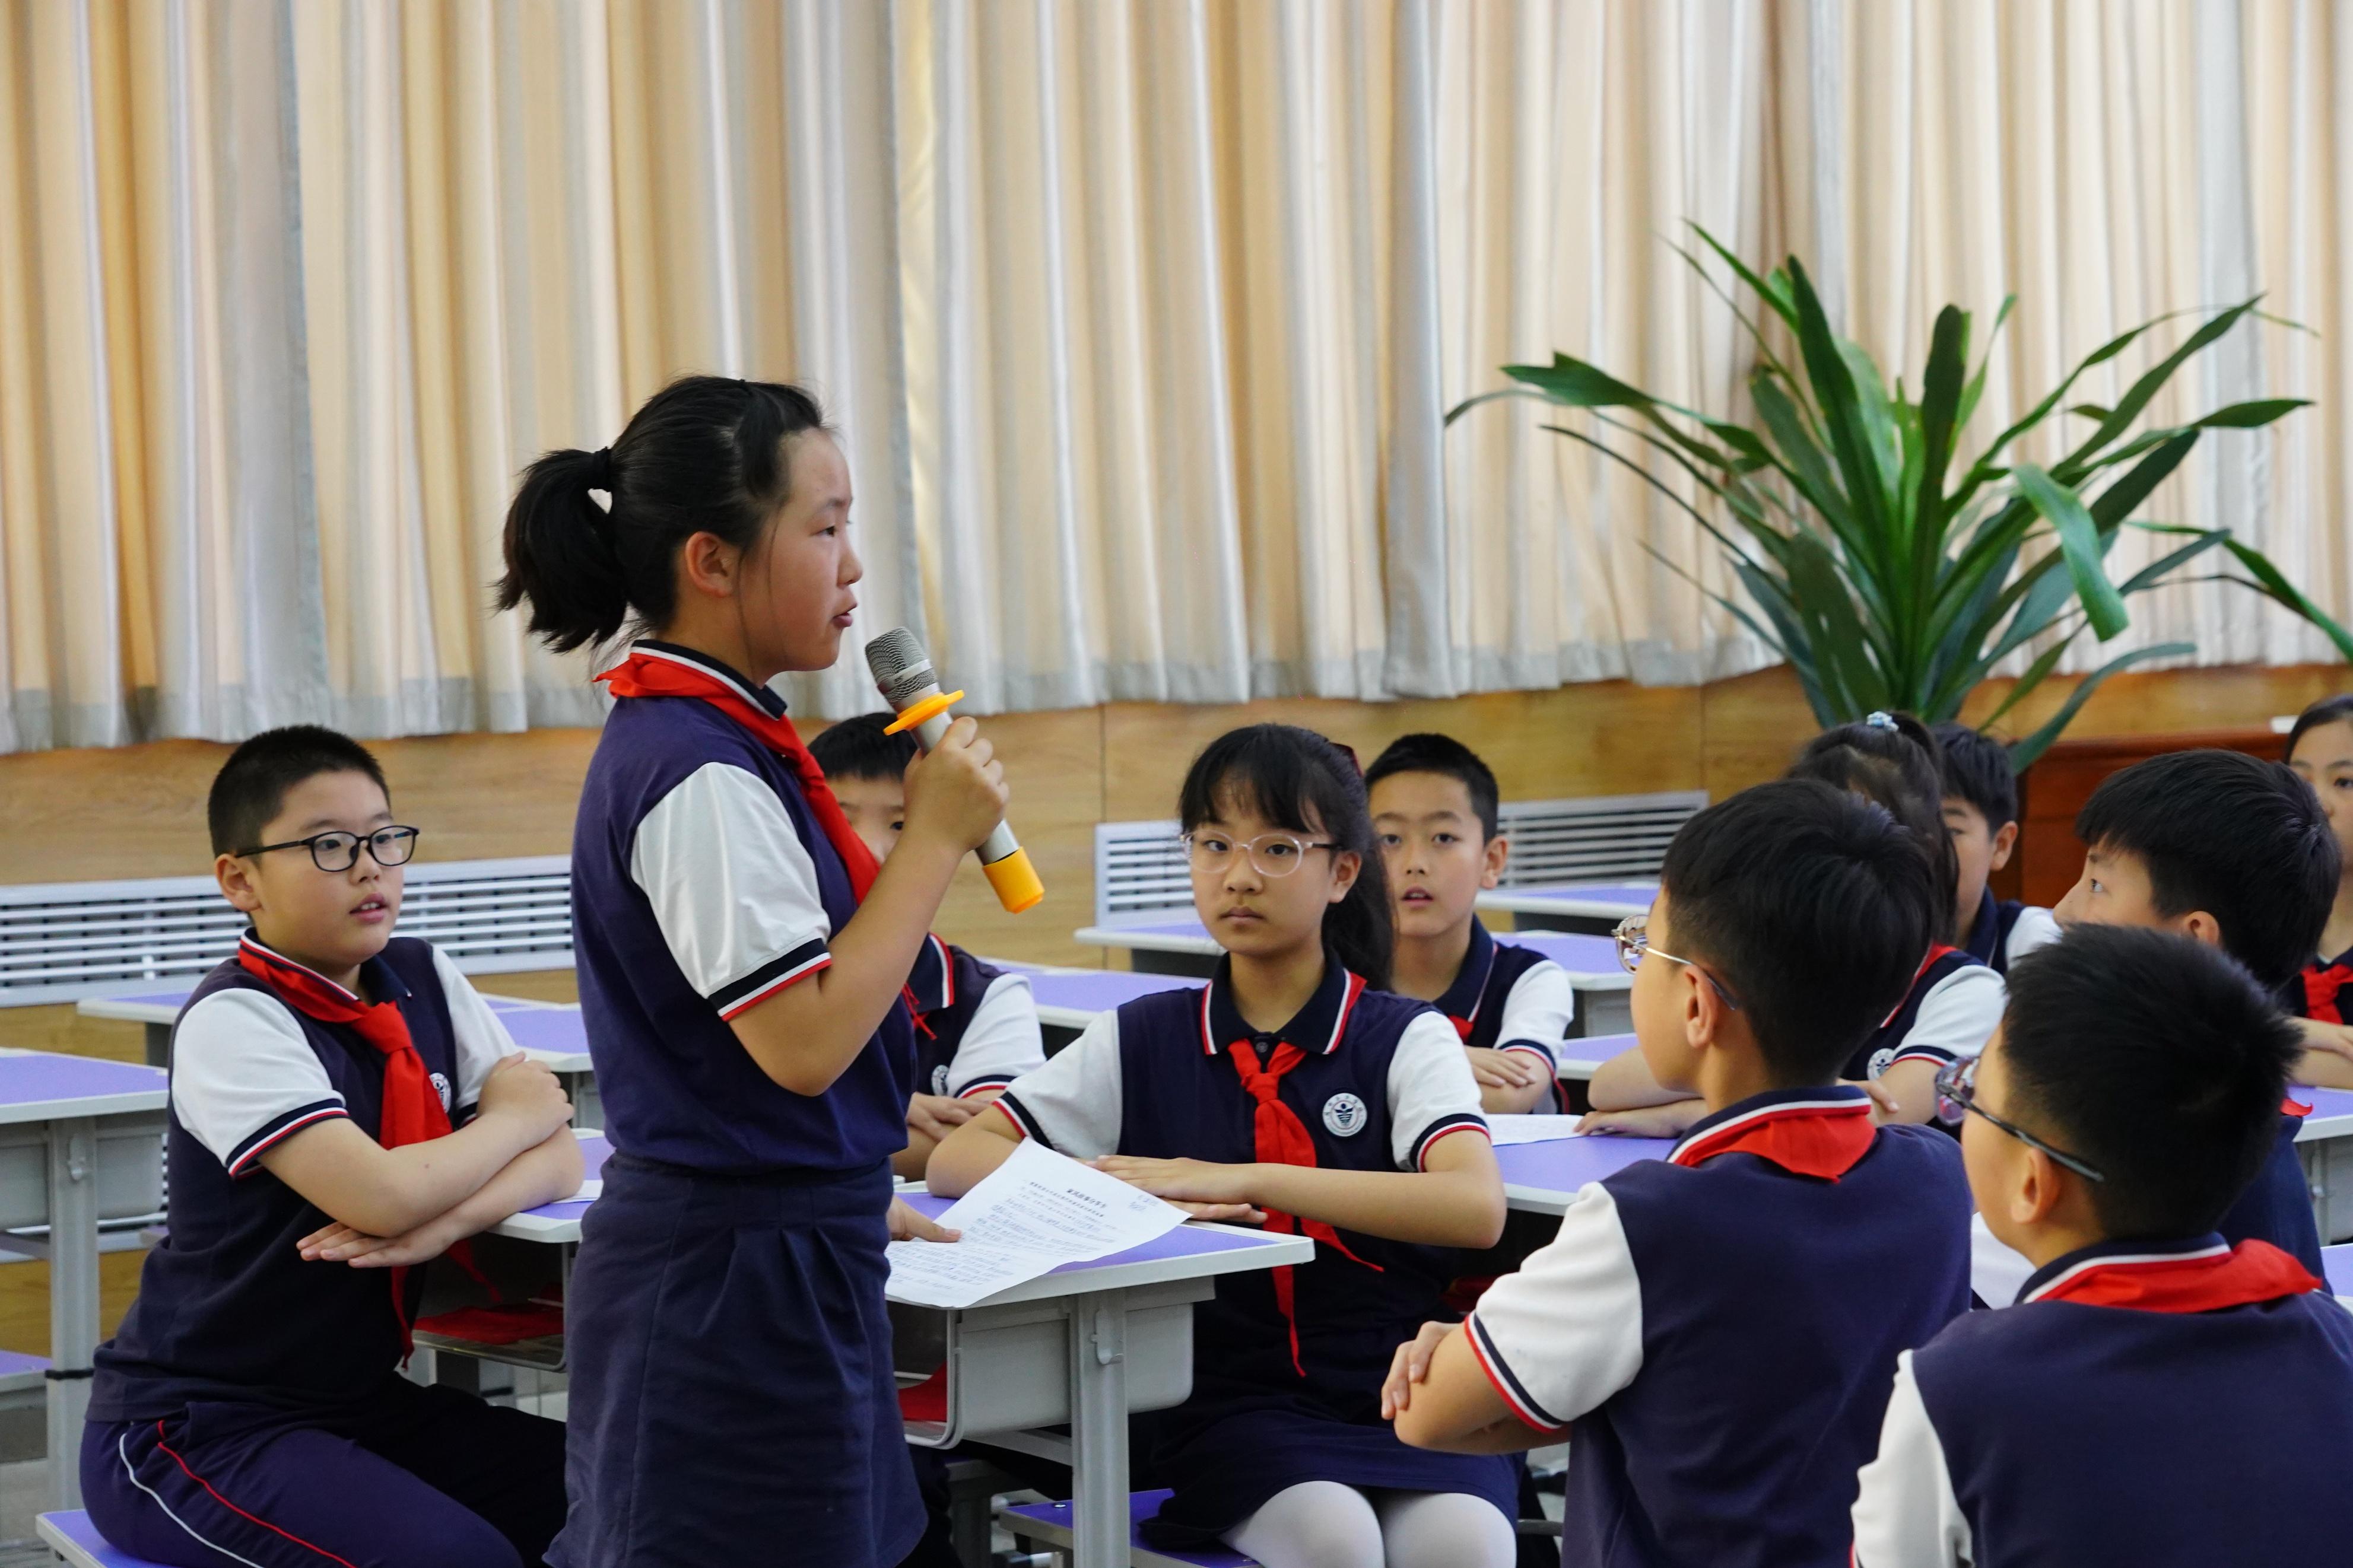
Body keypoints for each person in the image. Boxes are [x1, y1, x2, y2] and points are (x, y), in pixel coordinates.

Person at [496, 376, 1007, 1568]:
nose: (851, 567)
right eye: (821, 526)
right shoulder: (697, 767)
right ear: (712, 561)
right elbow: (802, 1040)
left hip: (781, 1245)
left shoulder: (728, 735)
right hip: (723, 1293)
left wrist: (840, 1157)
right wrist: (931, 838)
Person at [929, 724, 1517, 1568]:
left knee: (1467, 1546)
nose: (1239, 873)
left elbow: (1474, 1205)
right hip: (1231, 1400)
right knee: (1334, 1539)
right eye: (1213, 843)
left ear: (1342, 872)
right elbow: (961, 1155)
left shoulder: (1400, 1034)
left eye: (1278, 846)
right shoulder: (1144, 1035)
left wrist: (1244, 1176)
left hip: (1404, 1385)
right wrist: (1129, 1195)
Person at [1380, 780, 1972, 1568]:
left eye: (1643, 948)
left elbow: (1425, 1415)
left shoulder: (1644, 1221)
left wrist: (1546, 1369)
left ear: (1695, 1001)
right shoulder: (1939, 1180)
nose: (1635, 967)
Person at [82, 727, 581, 1568]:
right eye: (327, 844)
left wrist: (438, 1223)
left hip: (355, 1404)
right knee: (457, 1559)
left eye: (385, 837)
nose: (369, 865)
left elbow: (560, 1154)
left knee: (621, 1489)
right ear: (239, 878)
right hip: (196, 1428)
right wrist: (510, 1117)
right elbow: (380, 1195)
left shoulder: (423, 972)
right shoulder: (235, 1016)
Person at [1852, 927, 2353, 1567]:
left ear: (2032, 1182)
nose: (1959, 1104)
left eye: (1969, 1095)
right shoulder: (2330, 1336)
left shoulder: (1956, 1387)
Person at [1584, 712, 2001, 1133]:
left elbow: (1877, 1115)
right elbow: (1609, 1086)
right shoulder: (1771, 959)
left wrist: (1684, 1112)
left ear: (1920, 850)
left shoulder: (1965, 990)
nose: (1821, 863)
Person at [2034, 748, 2335, 1279]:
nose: (2062, 912)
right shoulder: (2199, 1110)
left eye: (2097, 886)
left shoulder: (2187, 1167)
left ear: (2194, 938)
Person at [808, 711, 1046, 1176]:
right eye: (838, 821)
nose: (867, 847)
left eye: (901, 826)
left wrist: (830, 1114)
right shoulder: (758, 965)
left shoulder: (984, 998)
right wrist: (890, 1111)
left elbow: (991, 1151)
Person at [1366, 733, 1575, 1114]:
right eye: (1390, 839)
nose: (1415, 863)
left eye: (1443, 837)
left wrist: (1370, 1059)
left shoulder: (1531, 979)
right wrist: (1450, 1056)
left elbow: (1510, 1097)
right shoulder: (1333, 972)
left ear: (1491, 861)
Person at [1928, 721, 2059, 975]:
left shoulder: (2032, 944)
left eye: (1950, 831)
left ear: (2001, 845)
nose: (1926, 845)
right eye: (1908, 823)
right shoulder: (1856, 937)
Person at [2282, 694, 2353, 1089]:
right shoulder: (2258, 919)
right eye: (2299, 781)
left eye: (2344, 781)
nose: (2316, 803)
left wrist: (2266, 1044)